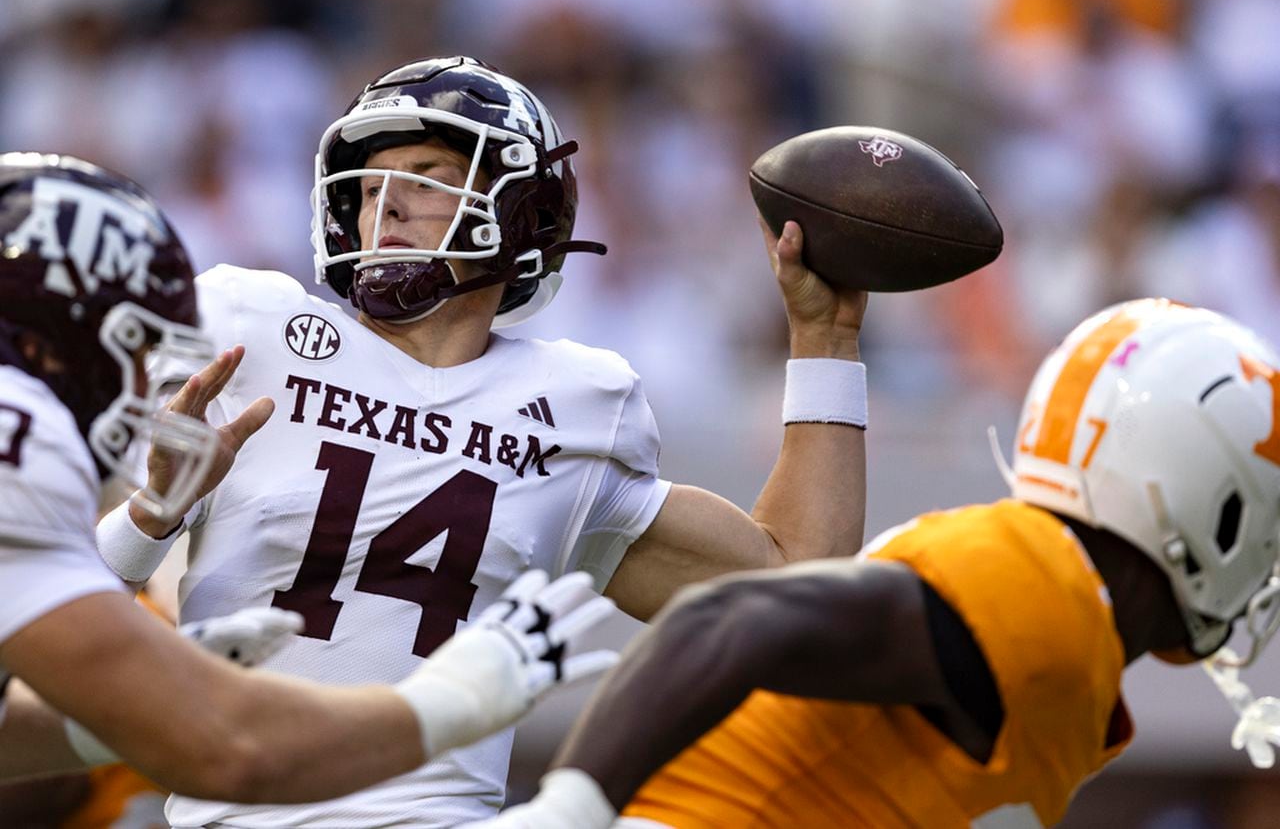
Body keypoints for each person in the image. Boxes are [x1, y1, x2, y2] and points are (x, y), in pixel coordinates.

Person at [93, 55, 869, 826]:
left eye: (425, 177)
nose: (384, 206)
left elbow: (795, 586)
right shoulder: (246, 333)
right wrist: (151, 514)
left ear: (520, 211)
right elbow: (37, 608)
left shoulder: (575, 408)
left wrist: (824, 337)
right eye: (369, 187)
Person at [477, 297, 1280, 829]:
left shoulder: (1075, 648)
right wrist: (569, 811)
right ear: (1219, 504)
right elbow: (733, 615)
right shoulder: (1044, 587)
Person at [0, 152, 618, 803]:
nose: (133, 383)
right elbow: (232, 753)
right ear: (43, 337)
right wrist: (454, 703)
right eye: (129, 345)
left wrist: (165, 697)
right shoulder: (21, 426)